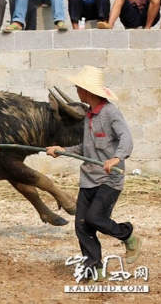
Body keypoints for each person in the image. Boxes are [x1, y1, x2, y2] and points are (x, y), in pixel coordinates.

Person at [46, 66, 141, 280]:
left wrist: (116, 159)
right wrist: (62, 150)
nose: (77, 91)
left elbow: (126, 139)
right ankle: (96, 267)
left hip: (109, 178)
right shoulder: (89, 116)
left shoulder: (111, 113)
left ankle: (128, 236)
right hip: (88, 179)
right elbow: (85, 148)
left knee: (94, 217)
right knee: (82, 225)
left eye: (79, 87)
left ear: (86, 91)